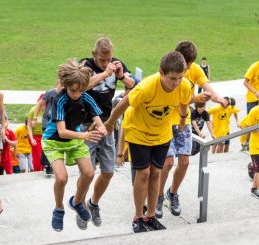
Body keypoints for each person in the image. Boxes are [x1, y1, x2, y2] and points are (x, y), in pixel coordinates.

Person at [104, 51, 192, 233]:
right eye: (172, 78)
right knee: (143, 173)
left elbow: (184, 102)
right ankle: (138, 217)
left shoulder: (183, 86)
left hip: (162, 134)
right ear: (161, 72)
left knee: (155, 174)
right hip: (139, 131)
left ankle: (151, 216)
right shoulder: (146, 87)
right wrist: (110, 123)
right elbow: (124, 103)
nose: (176, 83)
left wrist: (183, 119)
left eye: (180, 78)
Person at [156, 41, 228, 220]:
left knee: (185, 162)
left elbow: (206, 85)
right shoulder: (169, 69)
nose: (187, 67)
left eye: (189, 64)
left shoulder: (194, 69)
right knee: (167, 163)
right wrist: (196, 98)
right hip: (167, 120)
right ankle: (157, 197)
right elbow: (176, 99)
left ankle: (172, 193)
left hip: (184, 121)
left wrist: (217, 97)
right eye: (185, 63)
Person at [77, 37, 137, 229]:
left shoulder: (115, 64)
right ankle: (81, 205)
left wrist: (120, 76)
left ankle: (94, 203)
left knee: (109, 171)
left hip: (107, 123)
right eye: (102, 60)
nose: (106, 63)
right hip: (86, 124)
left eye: (108, 59)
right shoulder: (85, 64)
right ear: (95, 54)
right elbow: (80, 86)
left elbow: (132, 84)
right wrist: (104, 73)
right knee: (88, 172)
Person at [42, 59, 106, 232]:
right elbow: (62, 131)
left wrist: (102, 128)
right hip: (53, 141)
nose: (76, 94)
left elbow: (97, 118)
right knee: (62, 178)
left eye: (80, 90)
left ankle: (76, 201)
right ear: (65, 85)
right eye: (73, 90)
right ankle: (59, 208)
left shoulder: (85, 97)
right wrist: (85, 135)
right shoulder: (59, 100)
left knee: (89, 173)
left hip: (74, 140)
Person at [32, 82, 63, 174]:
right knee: (48, 142)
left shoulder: (66, 93)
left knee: (57, 143)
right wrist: (35, 118)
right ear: (57, 83)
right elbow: (39, 104)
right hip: (47, 122)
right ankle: (48, 165)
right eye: (61, 84)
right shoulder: (50, 93)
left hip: (58, 122)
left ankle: (54, 164)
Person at [239, 104, 259, 197]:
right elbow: (246, 127)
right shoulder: (254, 111)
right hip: (255, 146)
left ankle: (254, 189)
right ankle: (256, 190)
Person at [242, 60, 259, 151]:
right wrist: (255, 92)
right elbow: (245, 82)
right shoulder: (254, 66)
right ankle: (247, 142)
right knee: (251, 121)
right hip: (252, 98)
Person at [27, 95, 45, 172]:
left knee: (45, 156)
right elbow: (29, 126)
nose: (43, 107)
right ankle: (37, 171)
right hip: (35, 136)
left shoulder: (48, 110)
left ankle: (44, 170)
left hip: (45, 136)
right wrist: (31, 138)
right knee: (37, 156)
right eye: (41, 104)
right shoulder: (33, 110)